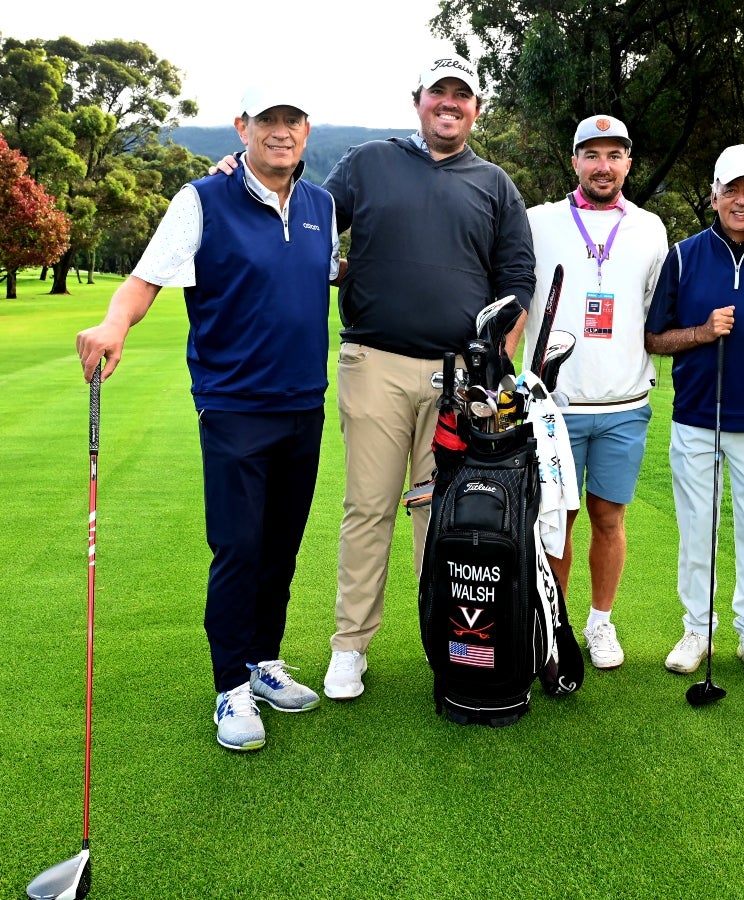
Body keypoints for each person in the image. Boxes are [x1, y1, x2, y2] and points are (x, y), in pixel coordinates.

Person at [212, 53, 536, 699]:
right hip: (375, 364)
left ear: (476, 108)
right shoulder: (367, 162)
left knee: (441, 514)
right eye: (438, 93)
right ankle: (349, 647)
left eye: (462, 96)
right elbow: (303, 219)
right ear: (418, 99)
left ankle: (447, 640)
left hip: (460, 378)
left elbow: (517, 282)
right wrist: (238, 174)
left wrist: (493, 373)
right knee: (368, 508)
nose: (450, 104)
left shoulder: (495, 183)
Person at [75, 84, 341, 751]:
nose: (281, 131)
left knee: (280, 545)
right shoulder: (201, 200)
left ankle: (263, 661)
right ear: (241, 127)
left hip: (303, 401)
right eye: (267, 119)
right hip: (232, 404)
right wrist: (113, 323)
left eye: (292, 119)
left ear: (307, 129)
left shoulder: (321, 205)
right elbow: (146, 278)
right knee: (239, 546)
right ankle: (231, 688)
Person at [645, 145, 744, 682]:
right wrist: (702, 332)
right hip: (694, 416)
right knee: (697, 530)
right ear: (712, 195)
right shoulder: (685, 255)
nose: (740, 200)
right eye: (730, 189)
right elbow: (654, 337)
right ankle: (697, 627)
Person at [522, 115, 669, 670]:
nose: (603, 166)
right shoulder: (538, 222)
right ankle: (551, 624)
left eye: (614, 155)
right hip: (553, 407)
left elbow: (659, 310)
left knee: (609, 518)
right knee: (555, 522)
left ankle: (600, 623)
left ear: (629, 163)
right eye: (592, 155)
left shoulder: (651, 229)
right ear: (574, 160)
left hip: (625, 405)